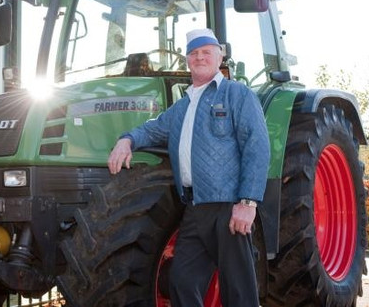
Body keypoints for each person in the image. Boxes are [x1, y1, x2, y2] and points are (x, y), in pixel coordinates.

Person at [107, 28, 270, 307]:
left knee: (238, 290)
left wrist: (247, 202)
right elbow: (154, 129)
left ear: (219, 56)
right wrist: (127, 140)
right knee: (181, 281)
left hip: (228, 205)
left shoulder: (237, 94)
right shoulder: (182, 107)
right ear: (187, 61)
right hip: (195, 210)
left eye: (206, 52)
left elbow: (257, 146)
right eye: (194, 53)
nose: (200, 57)